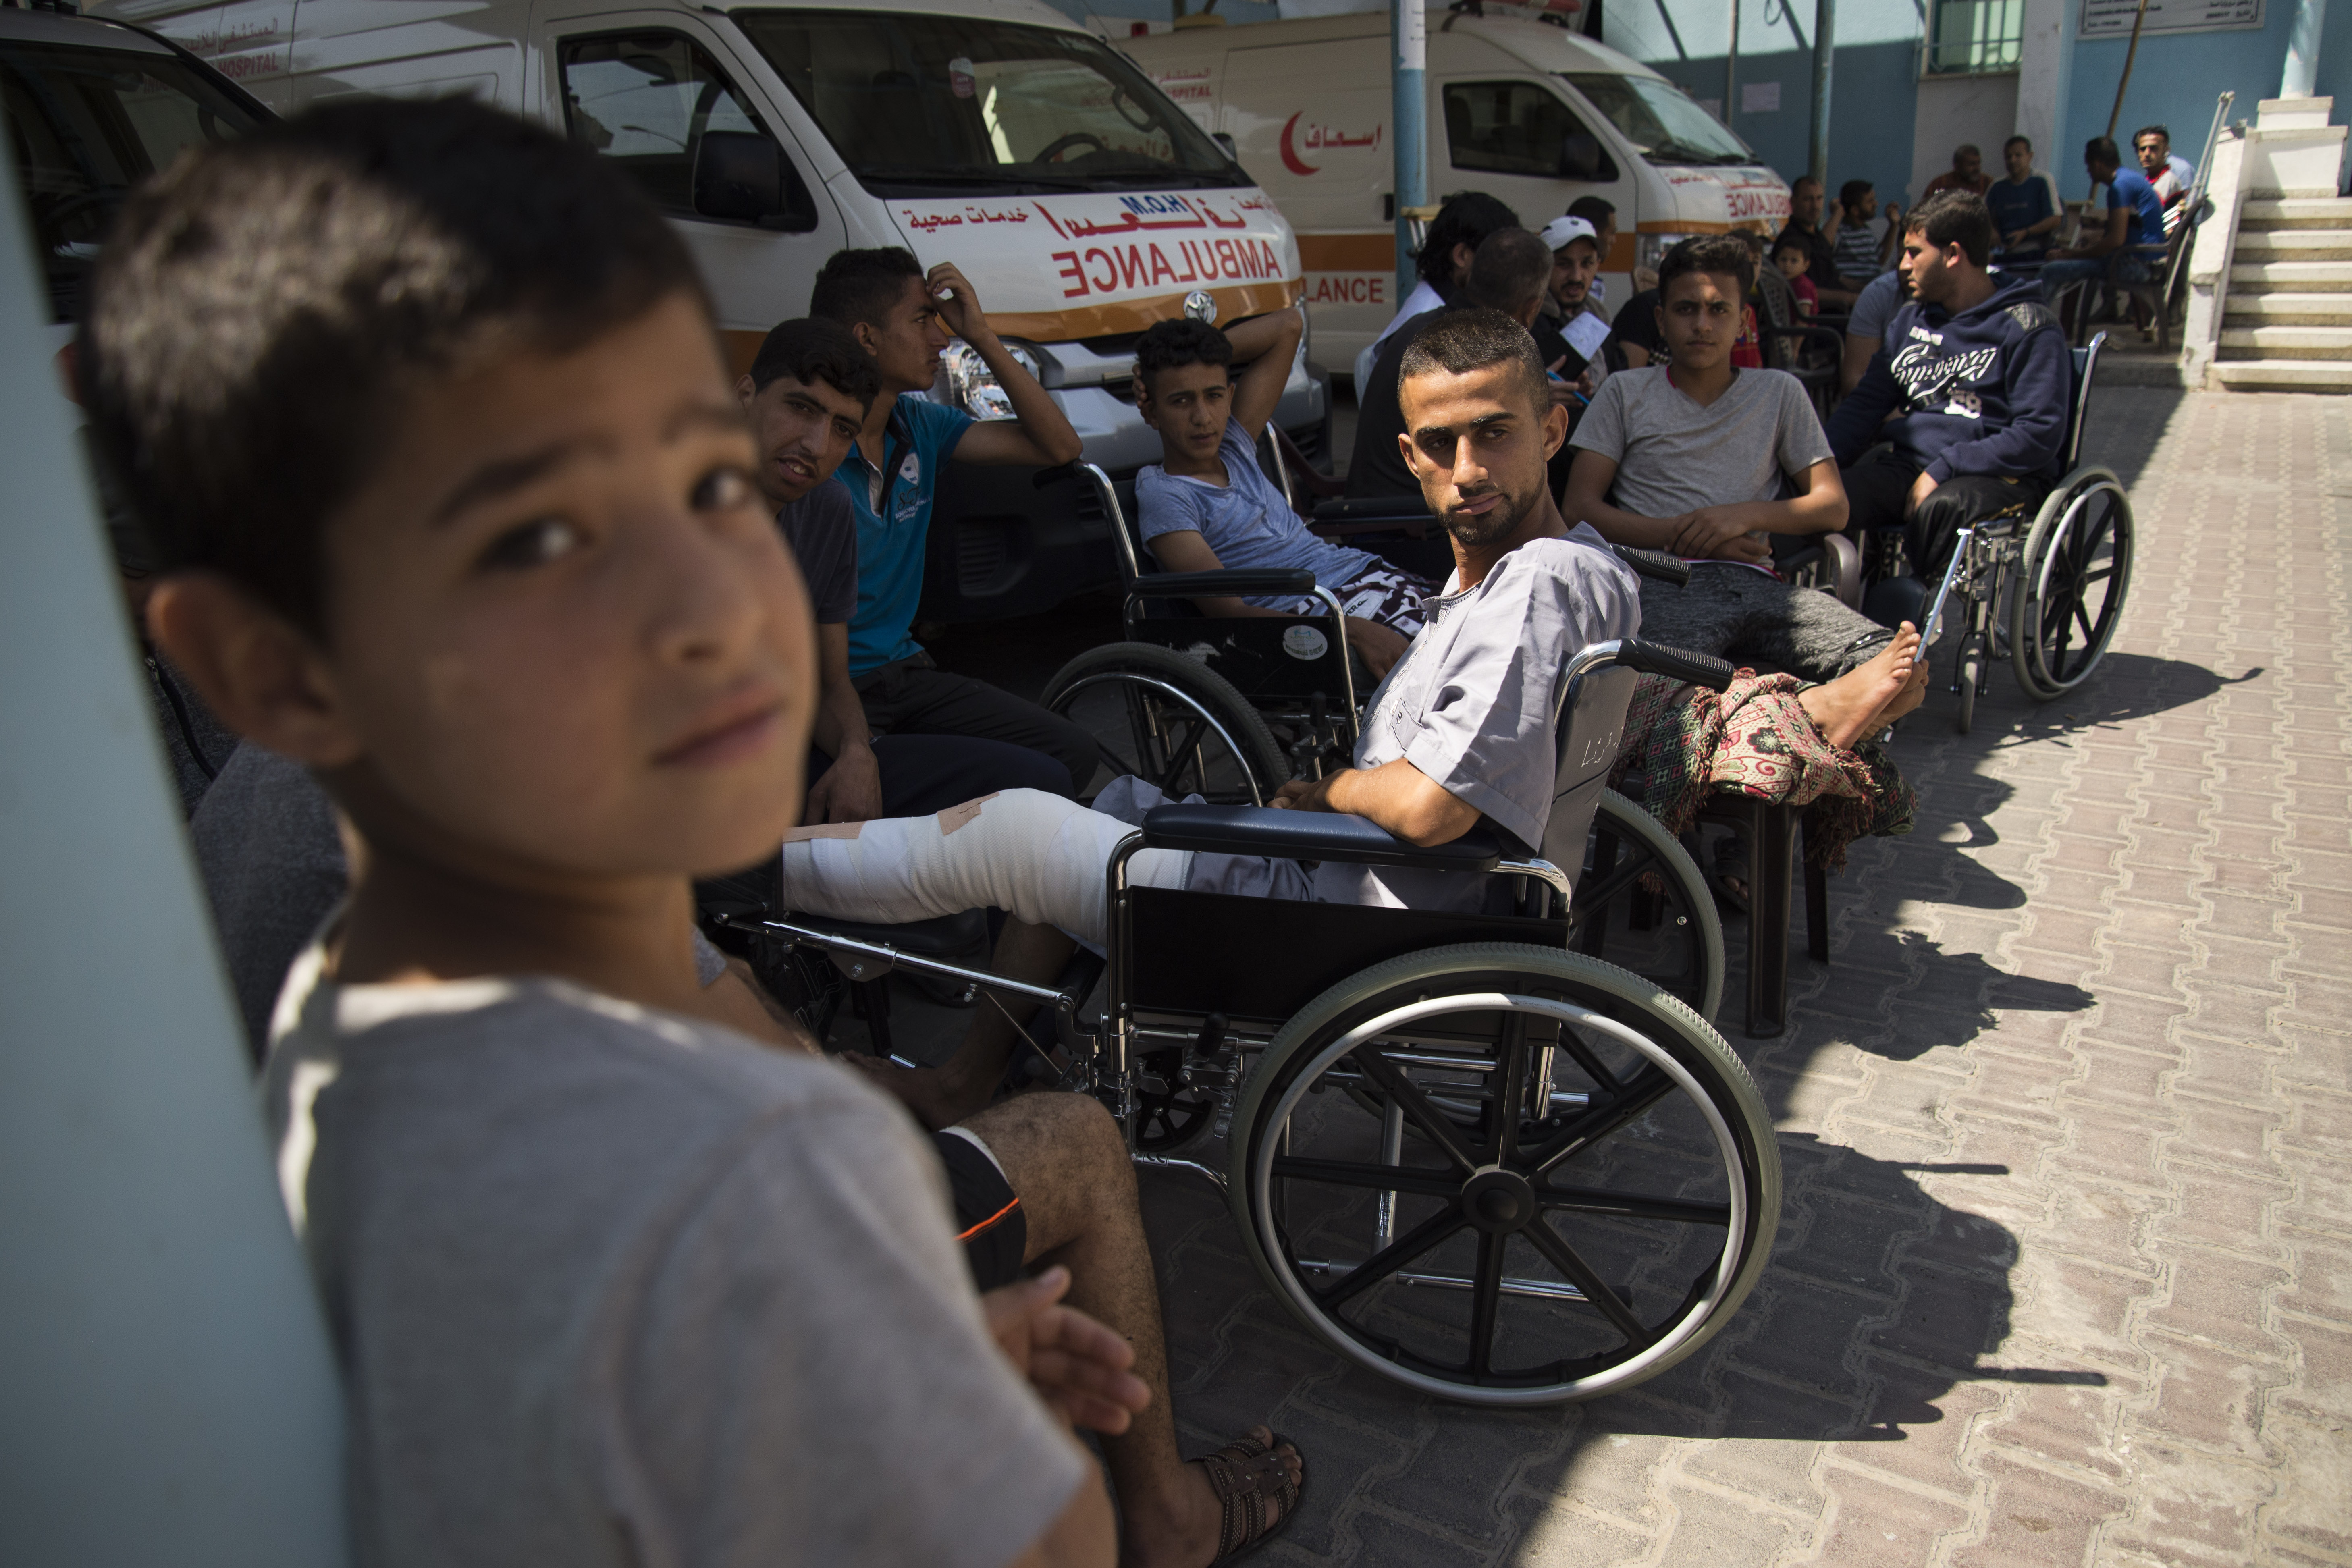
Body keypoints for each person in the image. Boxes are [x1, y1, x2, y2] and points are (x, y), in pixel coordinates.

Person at [93, 96, 1154, 1566]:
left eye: (702, 483)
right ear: (269, 667)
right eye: (538, 539)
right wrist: (968, 1406)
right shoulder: (753, 1172)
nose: (716, 605)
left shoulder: (374, 987)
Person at [781, 309, 1926, 1007]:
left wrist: (1320, 786)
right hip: (1360, 879)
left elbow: (1427, 811)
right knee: (1064, 802)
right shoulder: (1554, 576)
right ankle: (965, 1069)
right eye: (1440, 445)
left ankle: (748, 879)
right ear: (1408, 460)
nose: (1467, 466)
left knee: (1022, 826)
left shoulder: (1536, 586)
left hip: (1347, 912)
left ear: (1554, 431)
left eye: (1496, 433)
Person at [736, 317, 1073, 822]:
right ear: (745, 395)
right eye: (800, 409)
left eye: (841, 429)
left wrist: (856, 753)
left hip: (798, 741)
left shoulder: (826, 505)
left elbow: (830, 681)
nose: (815, 444)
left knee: (1046, 778)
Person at [810, 247, 1100, 795]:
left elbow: (1060, 445)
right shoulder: (812, 452)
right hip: (831, 693)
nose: (942, 339)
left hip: (906, 674)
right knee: (1033, 780)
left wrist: (984, 336)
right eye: (923, 320)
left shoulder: (919, 424)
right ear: (866, 337)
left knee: (1073, 753)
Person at [1565, 235, 1892, 683]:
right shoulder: (1625, 391)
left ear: (1744, 321)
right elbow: (1579, 508)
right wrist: (1690, 538)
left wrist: (1736, 518)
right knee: (1669, 695)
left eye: (1718, 310)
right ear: (1661, 320)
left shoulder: (1779, 392)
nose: (1702, 324)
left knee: (1887, 665)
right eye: (1686, 309)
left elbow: (1833, 506)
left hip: (1756, 583)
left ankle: (1802, 721)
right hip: (1659, 582)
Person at [1133, 309, 1430, 680]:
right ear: (1151, 411)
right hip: (1309, 610)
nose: (1203, 417)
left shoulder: (1234, 447)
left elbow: (1288, 325)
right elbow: (1229, 611)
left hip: (1363, 575)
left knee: (1487, 632)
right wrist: (1350, 628)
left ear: (1230, 397)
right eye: (1180, 401)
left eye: (1213, 396)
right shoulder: (1165, 493)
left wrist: (1195, 353)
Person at [1830, 191, 2070, 614]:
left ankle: (1903, 631)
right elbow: (1866, 404)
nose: (1902, 265)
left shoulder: (2028, 327)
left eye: (1913, 253)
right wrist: (1814, 462)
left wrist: (1945, 468)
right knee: (1833, 496)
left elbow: (2038, 433)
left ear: (1954, 253)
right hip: (1910, 466)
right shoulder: (1911, 318)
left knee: (1940, 508)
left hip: (1998, 475)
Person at [1347, 227, 1578, 503]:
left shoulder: (1425, 325)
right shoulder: (1465, 347)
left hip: (1380, 509)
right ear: (1531, 310)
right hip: (1406, 522)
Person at [1353, 189, 1519, 387]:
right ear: (1462, 256)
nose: (1510, 271)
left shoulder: (1445, 308)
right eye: (1501, 258)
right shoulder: (1430, 325)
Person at [2040, 136, 2170, 310]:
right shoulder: (2130, 179)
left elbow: (2115, 240)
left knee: (2051, 272)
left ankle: (2031, 328)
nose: (2088, 171)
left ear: (2097, 164)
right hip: (2148, 262)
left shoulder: (2119, 187)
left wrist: (2071, 254)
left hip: (2136, 265)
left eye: (2089, 166)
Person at [1986, 135, 2064, 265]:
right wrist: (1990, 230)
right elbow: (1980, 216)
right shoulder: (1997, 186)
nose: (2012, 161)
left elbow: (2055, 219)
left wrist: (2025, 233)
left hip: (2032, 246)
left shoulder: (2042, 180)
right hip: (2001, 247)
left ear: (2030, 156)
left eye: (2018, 155)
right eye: (2008, 157)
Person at [1783, 177, 1857, 310]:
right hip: (1826, 320)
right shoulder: (1791, 242)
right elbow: (1803, 289)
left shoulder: (1816, 236)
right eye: (1808, 199)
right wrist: (1849, 298)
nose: (1815, 206)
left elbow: (1834, 276)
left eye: (1819, 199)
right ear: (1793, 203)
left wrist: (1867, 288)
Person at [1839, 266, 1907, 393]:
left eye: (1915, 254)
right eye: (1901, 258)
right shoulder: (1880, 291)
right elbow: (1855, 379)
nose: (1906, 265)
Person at [1831, 180, 1898, 289]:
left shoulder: (1866, 230)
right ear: (1855, 210)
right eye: (1870, 201)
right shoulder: (1840, 232)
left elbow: (1880, 259)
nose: (1876, 204)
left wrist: (1893, 225)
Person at [2135, 124, 2191, 233]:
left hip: (2152, 245)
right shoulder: (2149, 181)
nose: (2147, 153)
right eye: (2142, 149)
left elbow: (2145, 217)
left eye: (2153, 148)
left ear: (2166, 151)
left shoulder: (2168, 180)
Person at [1772, 231, 1821, 316]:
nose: (1787, 265)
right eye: (1783, 260)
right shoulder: (1783, 282)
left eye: (1794, 261)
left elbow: (1803, 321)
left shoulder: (1803, 287)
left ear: (1806, 265)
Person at [1922, 143, 1993, 199]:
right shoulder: (1940, 184)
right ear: (1957, 166)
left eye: (1978, 163)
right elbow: (1926, 210)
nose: (1977, 168)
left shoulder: (1988, 184)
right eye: (1972, 164)